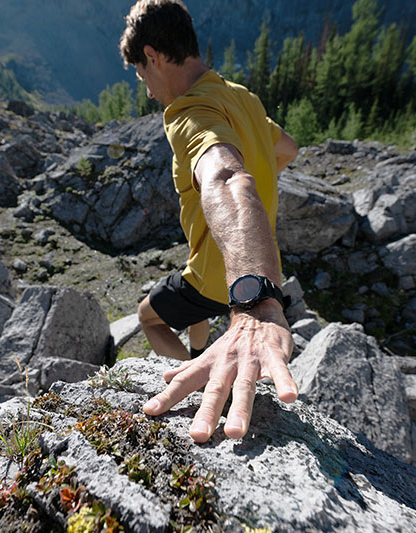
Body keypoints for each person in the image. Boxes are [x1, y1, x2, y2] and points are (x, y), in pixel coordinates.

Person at [120, 0, 299, 444]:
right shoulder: (242, 97)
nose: (146, 89)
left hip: (228, 279)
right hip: (254, 258)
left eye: (142, 75)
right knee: (196, 300)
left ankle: (196, 369)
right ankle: (205, 348)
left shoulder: (187, 112)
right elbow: (288, 149)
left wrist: (256, 302)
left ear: (153, 56)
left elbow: (224, 175)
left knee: (150, 318)